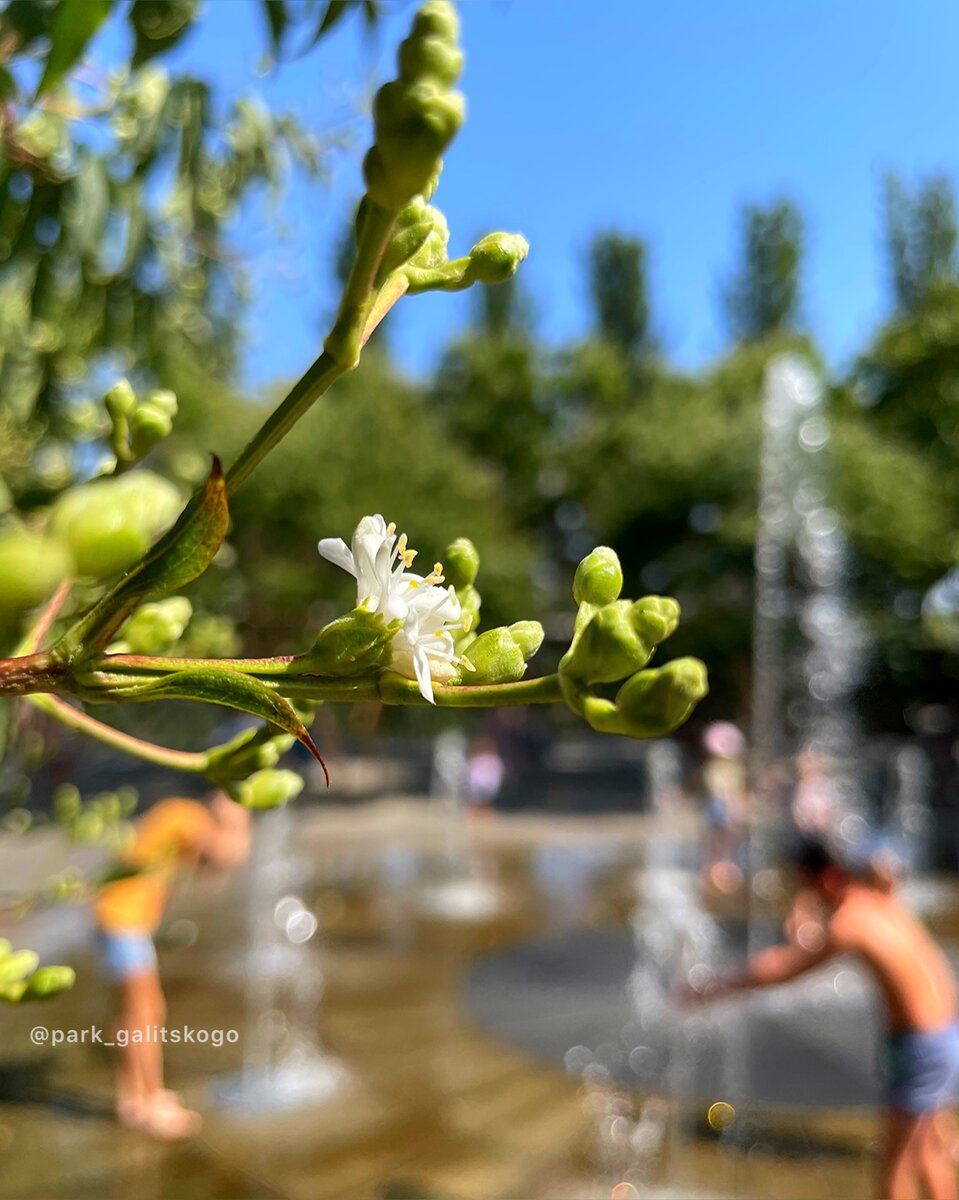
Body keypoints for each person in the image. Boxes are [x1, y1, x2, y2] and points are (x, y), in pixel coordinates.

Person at [684, 836, 959, 1200]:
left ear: (824, 879)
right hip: (945, 1033)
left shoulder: (848, 924)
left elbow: (786, 968)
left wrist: (717, 987)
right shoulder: (879, 898)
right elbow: (880, 871)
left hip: (919, 1049)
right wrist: (811, 901)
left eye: (803, 885)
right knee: (928, 1154)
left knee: (893, 1171)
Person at [94, 791, 251, 1140]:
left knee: (135, 1014)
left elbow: (213, 868)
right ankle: (152, 1105)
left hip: (121, 919)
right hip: (123, 922)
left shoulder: (181, 817)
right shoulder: (185, 816)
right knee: (146, 1015)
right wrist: (236, 820)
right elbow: (227, 855)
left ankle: (133, 1096)